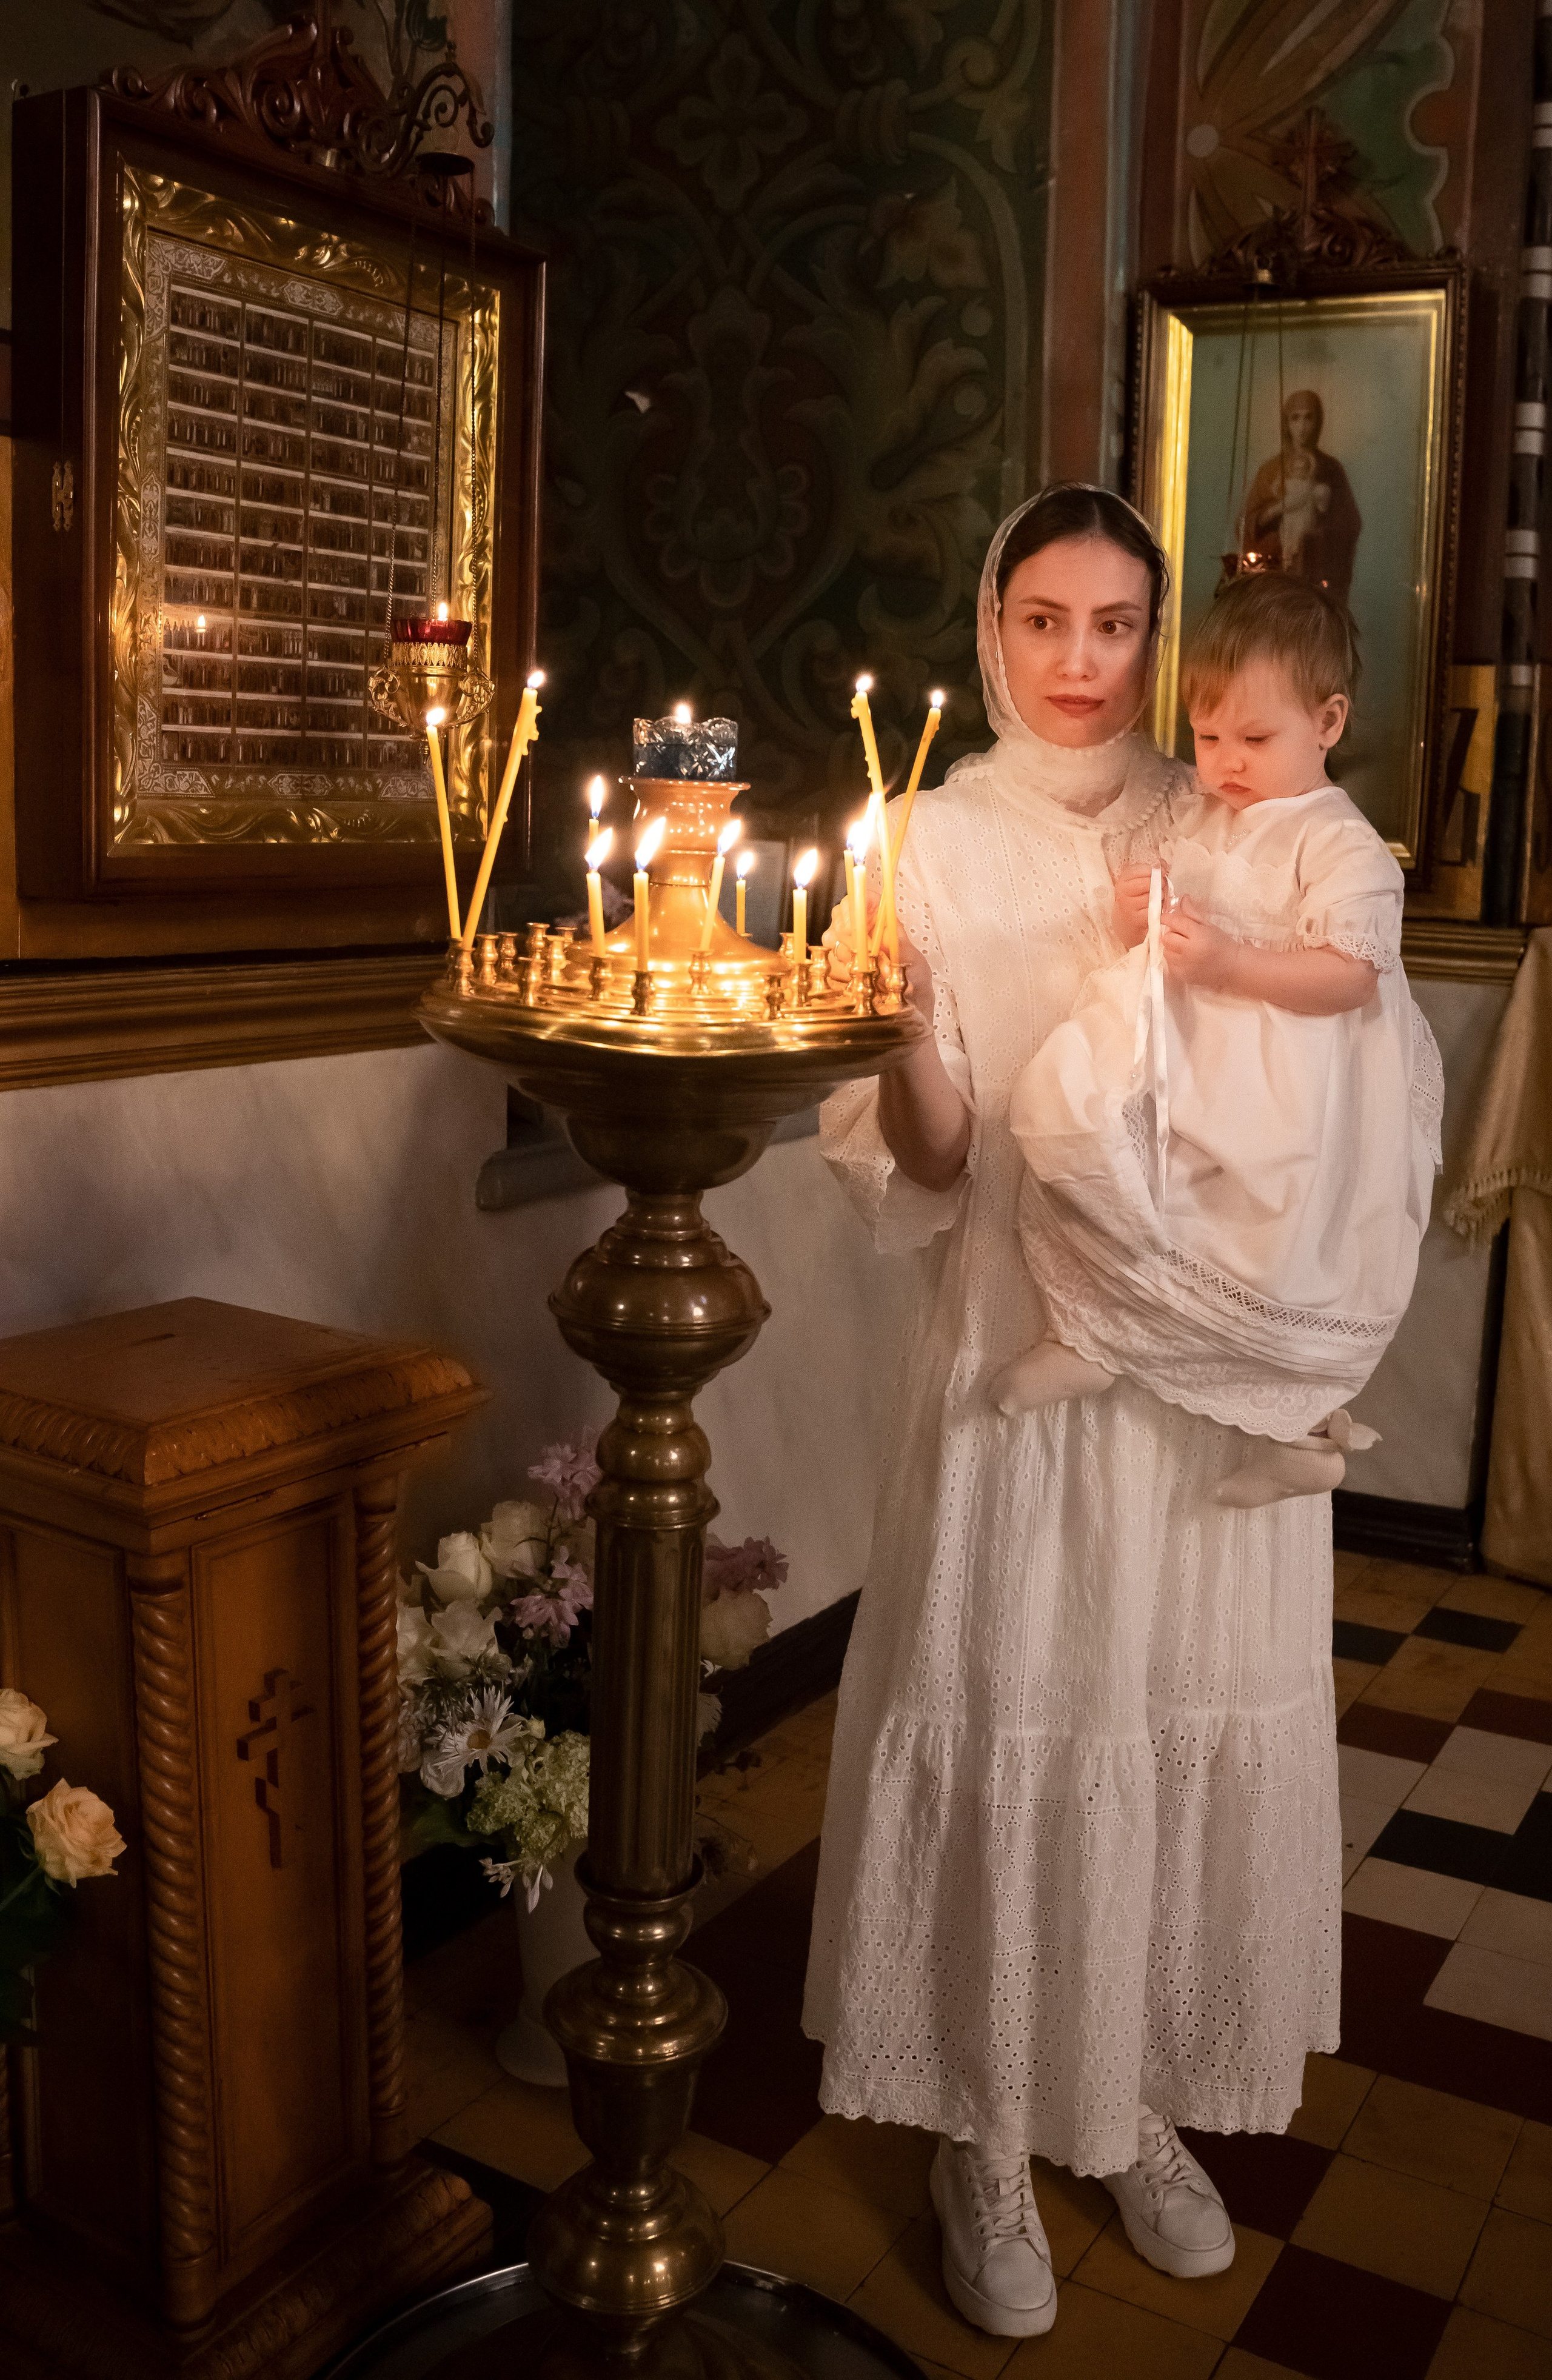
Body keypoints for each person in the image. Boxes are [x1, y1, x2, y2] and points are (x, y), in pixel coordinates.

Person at [803, 485, 1347, 2342]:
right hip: (1018, 1336)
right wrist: (893, 1022)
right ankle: (977, 2121)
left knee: (1154, 1698)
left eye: (1116, 625)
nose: (1078, 662)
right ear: (990, 625)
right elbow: (942, 1160)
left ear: (1157, 639)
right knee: (1019, 1697)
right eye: (1043, 619)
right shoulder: (927, 837)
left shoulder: (1230, 812)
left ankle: (1119, 2104)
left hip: (1194, 1357)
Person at [991, 573, 1442, 1509]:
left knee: (1265, 1248)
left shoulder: (1339, 842)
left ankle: (1306, 1429)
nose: (1226, 762)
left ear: (1328, 721)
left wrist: (1233, 963)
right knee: (1074, 1121)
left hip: (1287, 1084)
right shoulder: (1208, 813)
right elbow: (1178, 923)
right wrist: (1141, 915)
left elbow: (1354, 972)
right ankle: (1096, 1335)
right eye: (1207, 737)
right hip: (1189, 1054)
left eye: (1255, 738)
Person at [1236, 390, 1361, 601]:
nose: (1302, 426)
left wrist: (1313, 535)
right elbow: (1248, 524)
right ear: (1287, 424)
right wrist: (1279, 509)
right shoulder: (1271, 470)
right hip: (1275, 577)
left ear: (1318, 422)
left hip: (1317, 576)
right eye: (1295, 418)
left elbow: (1349, 524)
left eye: (1308, 418)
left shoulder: (1332, 470)